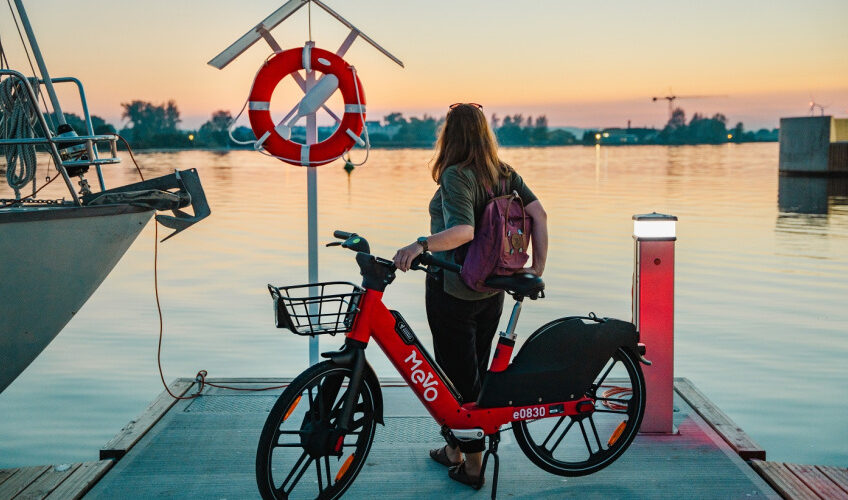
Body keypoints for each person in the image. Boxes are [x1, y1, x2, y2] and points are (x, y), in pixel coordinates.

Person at [393, 102, 548, 488]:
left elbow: (462, 231)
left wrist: (420, 245)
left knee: (454, 377)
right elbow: (540, 215)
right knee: (473, 370)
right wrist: (536, 269)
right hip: (492, 288)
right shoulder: (504, 173)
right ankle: (454, 450)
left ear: (450, 135)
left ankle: (473, 466)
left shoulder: (455, 175)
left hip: (455, 289)